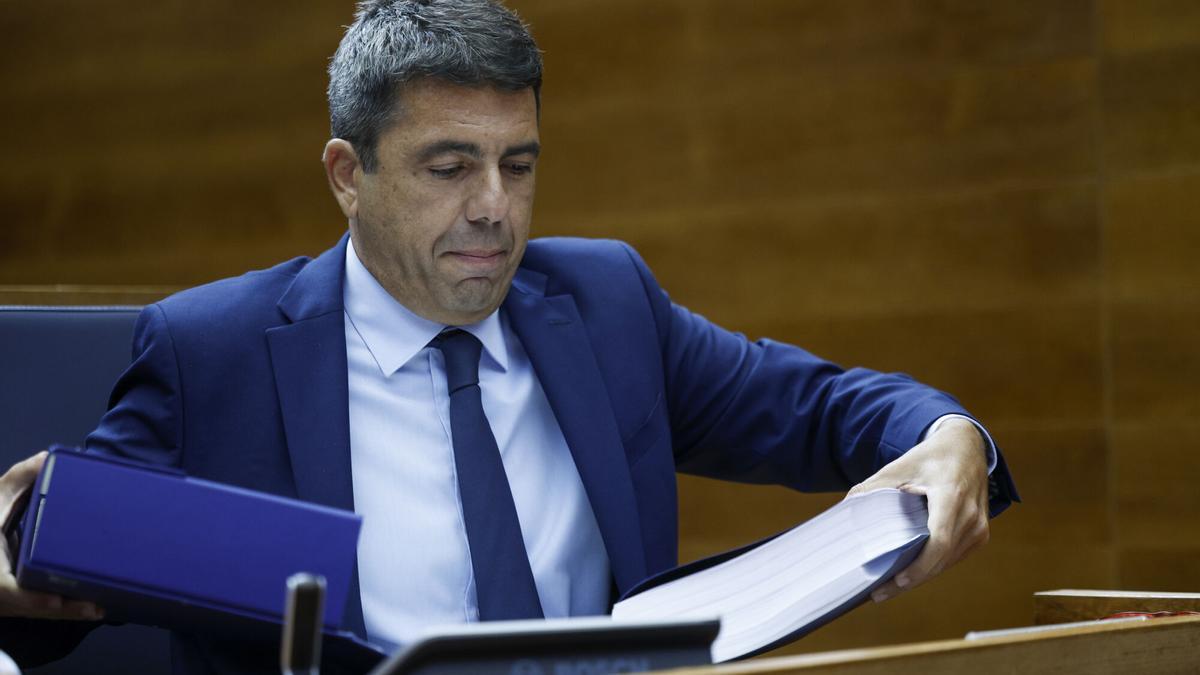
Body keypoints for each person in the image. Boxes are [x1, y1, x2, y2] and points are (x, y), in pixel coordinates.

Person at [0, 0, 1017, 672]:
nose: (494, 206)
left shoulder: (606, 306)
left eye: (518, 165)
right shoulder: (212, 353)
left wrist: (949, 438)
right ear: (348, 176)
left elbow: (821, 408)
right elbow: (52, 599)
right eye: (449, 168)